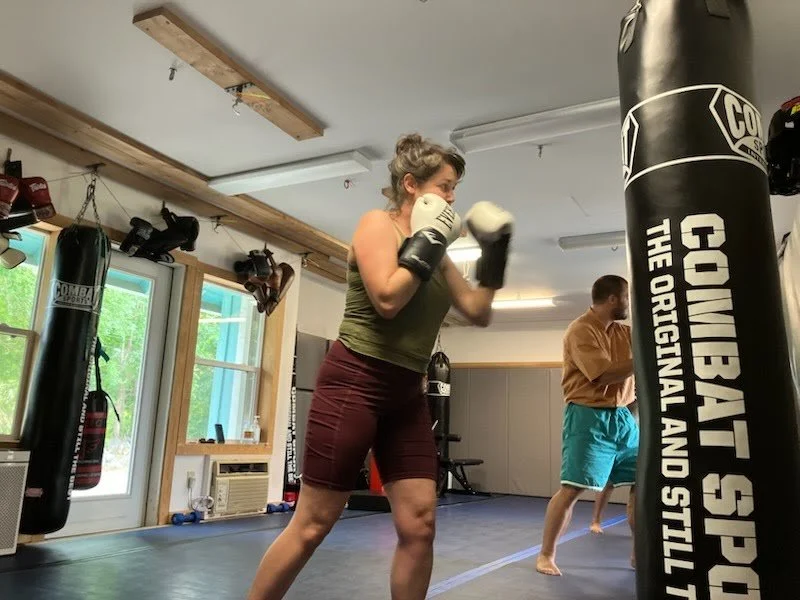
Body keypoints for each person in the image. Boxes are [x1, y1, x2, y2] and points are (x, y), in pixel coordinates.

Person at [247, 133, 514, 600]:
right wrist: (429, 239)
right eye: (445, 187)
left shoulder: (441, 254)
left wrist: (495, 256)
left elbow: (478, 310)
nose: (452, 199)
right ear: (411, 185)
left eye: (455, 189)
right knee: (313, 523)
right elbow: (388, 298)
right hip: (355, 380)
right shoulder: (377, 226)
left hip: (406, 393)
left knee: (420, 523)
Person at [536, 275, 638, 577]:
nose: (629, 305)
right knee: (572, 489)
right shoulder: (580, 330)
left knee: (642, 484)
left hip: (624, 417)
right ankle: (546, 554)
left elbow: (636, 372)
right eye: (627, 299)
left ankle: (639, 553)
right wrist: (647, 357)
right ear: (613, 299)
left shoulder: (624, 333)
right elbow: (602, 373)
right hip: (588, 416)